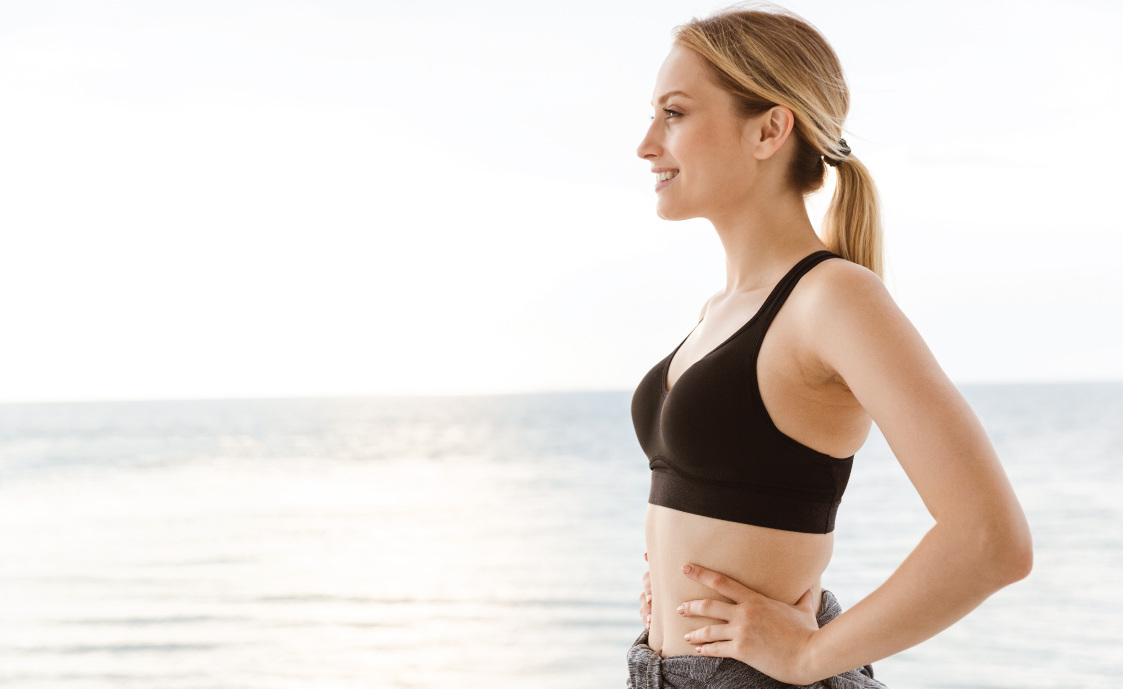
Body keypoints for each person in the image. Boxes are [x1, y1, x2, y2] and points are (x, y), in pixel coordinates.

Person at [628, 3, 1033, 687]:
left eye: (673, 113)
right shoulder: (718, 312)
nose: (645, 144)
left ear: (769, 129)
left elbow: (991, 540)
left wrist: (809, 654)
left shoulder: (833, 298)